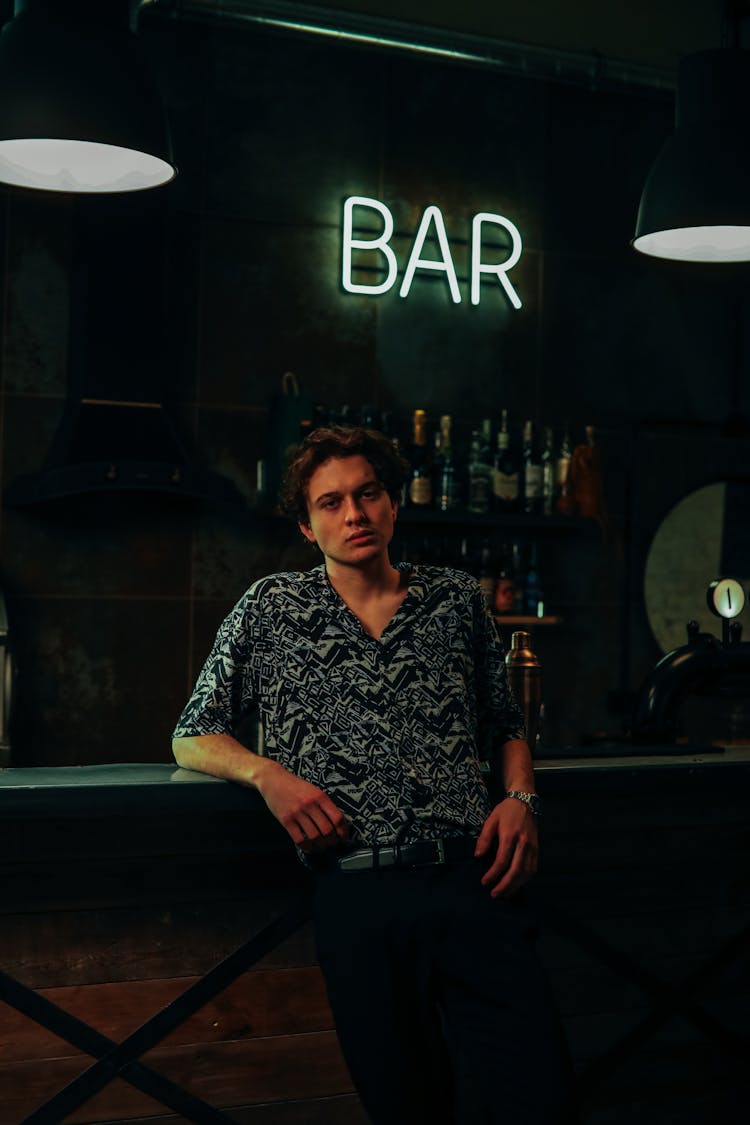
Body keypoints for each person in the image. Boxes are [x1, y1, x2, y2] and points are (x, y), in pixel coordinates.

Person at [172, 425, 573, 1125]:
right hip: (355, 889)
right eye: (331, 503)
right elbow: (191, 734)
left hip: (471, 877)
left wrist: (520, 798)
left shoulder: (455, 599)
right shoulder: (271, 607)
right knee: (406, 1105)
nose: (353, 514)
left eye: (367, 494)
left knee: (537, 1089)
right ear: (306, 524)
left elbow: (505, 724)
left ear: (393, 506)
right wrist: (268, 774)